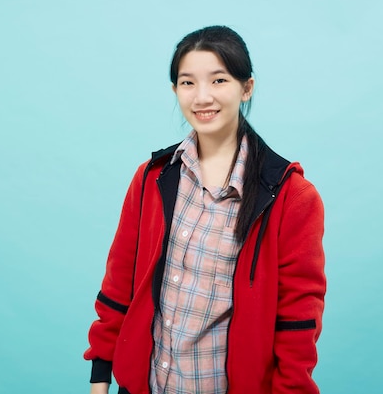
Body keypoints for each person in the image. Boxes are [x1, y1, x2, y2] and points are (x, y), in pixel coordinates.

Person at [84, 25, 326, 394]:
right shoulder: (152, 179)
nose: (202, 97)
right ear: (174, 91)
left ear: (247, 88)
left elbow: (298, 323)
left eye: (218, 81)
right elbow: (119, 283)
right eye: (187, 83)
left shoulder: (290, 196)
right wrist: (100, 378)